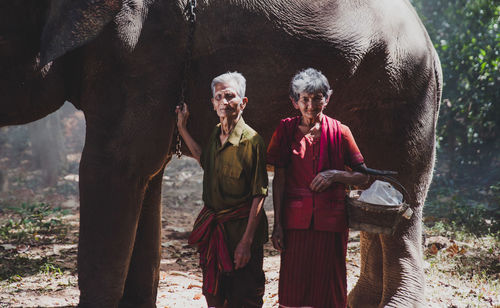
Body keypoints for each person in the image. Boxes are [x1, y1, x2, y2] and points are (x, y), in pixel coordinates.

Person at [267, 68, 369, 308]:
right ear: (295, 102)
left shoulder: (340, 132)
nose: (311, 105)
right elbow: (279, 178)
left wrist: (335, 175)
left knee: (329, 287)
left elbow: (362, 176)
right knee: (294, 285)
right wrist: (278, 225)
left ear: (327, 99)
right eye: (305, 99)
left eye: (317, 98)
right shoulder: (285, 130)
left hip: (331, 222)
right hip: (294, 222)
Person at [176, 72, 268, 308]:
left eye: (230, 96)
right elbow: (202, 158)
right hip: (215, 232)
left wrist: (246, 243)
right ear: (213, 103)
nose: (224, 102)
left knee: (244, 296)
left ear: (243, 102)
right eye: (219, 97)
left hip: (241, 232)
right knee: (215, 295)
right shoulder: (216, 133)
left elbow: (259, 195)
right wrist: (182, 127)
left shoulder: (252, 141)